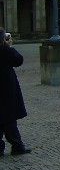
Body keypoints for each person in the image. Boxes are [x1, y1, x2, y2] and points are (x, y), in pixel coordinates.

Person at [0, 28, 31, 156]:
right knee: (9, 118)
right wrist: (9, 46)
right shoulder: (5, 50)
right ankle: (17, 146)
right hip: (6, 88)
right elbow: (18, 60)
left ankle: (11, 146)